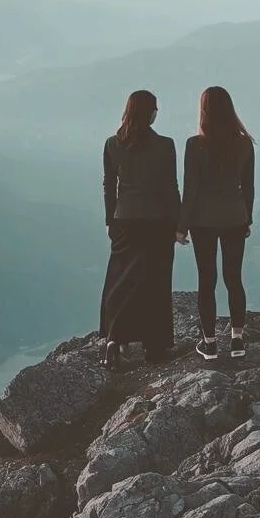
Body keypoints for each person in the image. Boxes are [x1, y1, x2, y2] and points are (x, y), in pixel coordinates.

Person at [100, 89, 179, 368]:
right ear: (151, 114)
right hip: (157, 223)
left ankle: (113, 339)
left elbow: (110, 187)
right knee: (155, 282)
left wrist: (111, 221)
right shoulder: (165, 145)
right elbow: (170, 189)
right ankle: (155, 346)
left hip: (123, 221)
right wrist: (179, 224)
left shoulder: (112, 144)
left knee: (120, 280)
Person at [176, 86, 255, 362]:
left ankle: (209, 343)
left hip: (203, 220)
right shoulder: (244, 143)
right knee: (234, 278)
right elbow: (248, 187)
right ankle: (237, 339)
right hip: (235, 216)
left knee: (206, 279)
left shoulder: (194, 144)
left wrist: (181, 227)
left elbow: (191, 189)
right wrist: (248, 218)